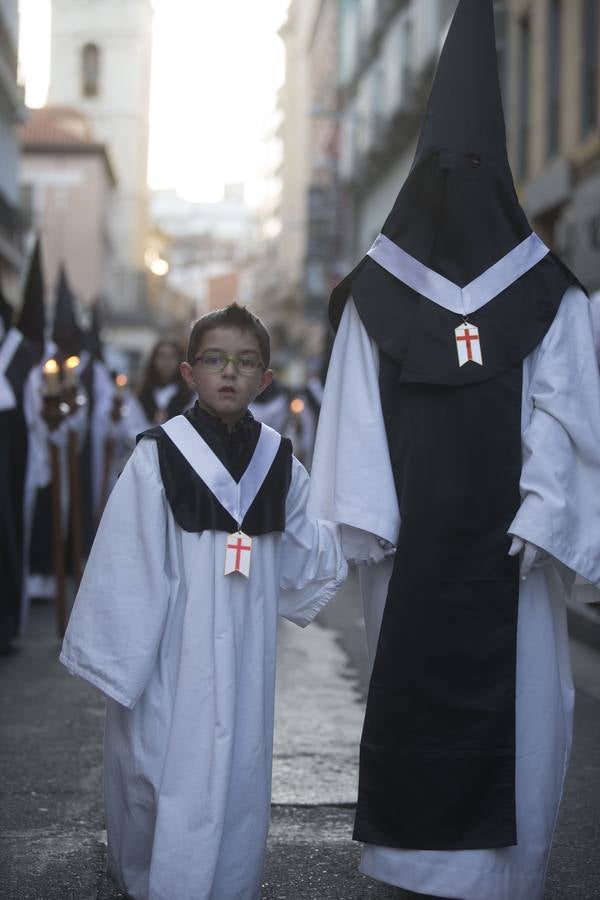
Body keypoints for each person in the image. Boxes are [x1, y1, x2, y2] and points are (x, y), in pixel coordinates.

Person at [309, 1, 600, 899]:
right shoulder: (374, 297)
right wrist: (373, 517)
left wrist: (546, 510)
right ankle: (414, 864)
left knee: (523, 717)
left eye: (475, 166)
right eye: (446, 167)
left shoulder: (552, 295)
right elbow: (354, 415)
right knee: (420, 695)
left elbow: (569, 414)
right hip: (417, 555)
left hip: (509, 560)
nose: (460, 182)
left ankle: (504, 878)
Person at [60, 303, 347, 900]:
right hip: (172, 650)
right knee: (161, 765)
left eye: (246, 363)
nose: (229, 373)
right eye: (214, 359)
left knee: (239, 773)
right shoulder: (157, 456)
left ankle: (228, 886)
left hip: (246, 653)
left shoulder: (280, 462)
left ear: (265, 379)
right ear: (190, 373)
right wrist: (123, 660)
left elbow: (304, 548)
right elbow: (127, 560)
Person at [136, 338, 192, 425]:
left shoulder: (188, 396)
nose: (167, 362)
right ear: (153, 360)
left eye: (172, 357)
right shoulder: (142, 395)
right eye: (162, 356)